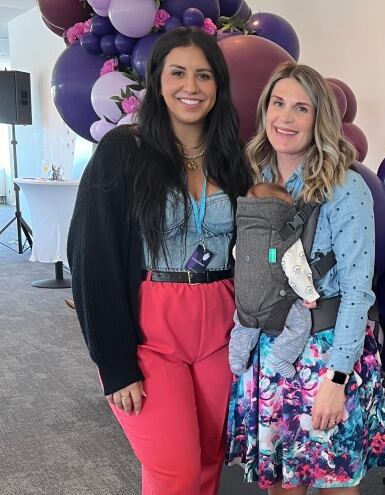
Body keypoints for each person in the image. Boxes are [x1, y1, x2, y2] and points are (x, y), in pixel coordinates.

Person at [67, 27, 252, 495]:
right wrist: (115, 363)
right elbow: (92, 259)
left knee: (209, 463)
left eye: (204, 75)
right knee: (176, 473)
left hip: (219, 330)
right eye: (178, 72)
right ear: (158, 79)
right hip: (150, 333)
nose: (191, 86)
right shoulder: (121, 152)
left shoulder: (232, 158)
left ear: (218, 86)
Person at [225, 62, 385, 494]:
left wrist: (337, 381)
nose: (285, 118)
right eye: (278, 104)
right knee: (281, 485)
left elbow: (359, 291)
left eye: (301, 108)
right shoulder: (256, 177)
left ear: (319, 119)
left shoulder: (345, 186)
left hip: (326, 354)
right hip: (270, 350)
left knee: (335, 483)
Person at [228, 182, 320, 378]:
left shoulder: (245, 232)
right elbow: (296, 269)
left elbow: (236, 255)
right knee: (301, 324)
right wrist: (309, 295)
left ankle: (236, 359)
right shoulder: (283, 236)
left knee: (243, 327)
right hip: (274, 306)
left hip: (244, 304)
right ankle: (280, 357)